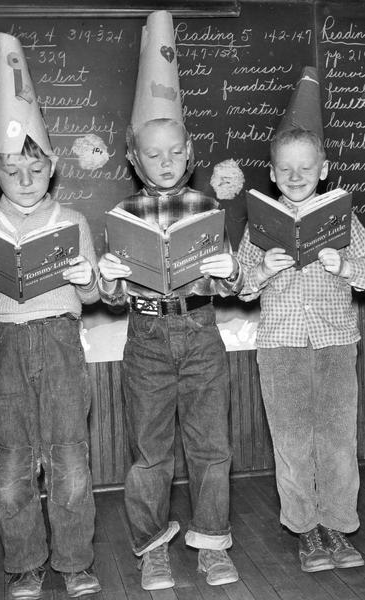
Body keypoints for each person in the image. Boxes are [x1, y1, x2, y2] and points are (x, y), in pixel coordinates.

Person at [0, 33, 101, 599]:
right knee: (12, 464)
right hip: (3, 346)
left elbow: (91, 298)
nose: (25, 180)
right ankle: (24, 564)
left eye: (34, 169)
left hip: (59, 342)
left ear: (52, 165)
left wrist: (89, 279)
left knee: (70, 461)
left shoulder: (73, 220)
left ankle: (76, 561)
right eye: (12, 171)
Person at [98, 11, 241, 592]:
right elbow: (111, 295)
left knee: (211, 448)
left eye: (175, 152)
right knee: (150, 453)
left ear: (189, 152)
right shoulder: (122, 217)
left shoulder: (207, 208)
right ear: (134, 159)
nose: (165, 163)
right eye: (152, 155)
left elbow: (230, 283)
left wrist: (229, 269)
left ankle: (210, 543)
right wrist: (109, 276)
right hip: (147, 337)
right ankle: (153, 546)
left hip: (201, 331)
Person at [237, 67, 365, 573]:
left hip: (335, 343)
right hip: (280, 347)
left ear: (323, 169)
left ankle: (338, 528)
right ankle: (305, 529)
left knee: (337, 438)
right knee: (293, 441)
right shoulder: (261, 225)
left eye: (306, 167)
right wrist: (263, 266)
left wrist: (343, 264)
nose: (296, 176)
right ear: (273, 174)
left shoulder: (343, 220)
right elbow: (239, 282)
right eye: (286, 169)